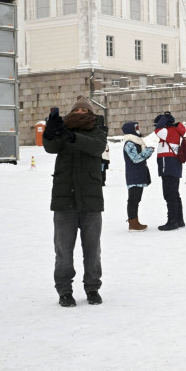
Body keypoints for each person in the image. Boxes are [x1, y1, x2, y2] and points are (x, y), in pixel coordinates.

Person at [42, 95, 107, 308]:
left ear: (90, 113)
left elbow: (96, 148)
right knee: (63, 251)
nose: (80, 113)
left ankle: (92, 288)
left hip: (91, 202)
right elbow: (51, 147)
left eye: (84, 111)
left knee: (92, 250)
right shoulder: (63, 131)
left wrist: (72, 137)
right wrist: (49, 132)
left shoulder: (98, 131)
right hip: (64, 201)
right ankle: (64, 290)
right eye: (76, 111)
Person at [154, 111, 186, 231]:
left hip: (168, 166)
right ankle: (179, 219)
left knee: (169, 195)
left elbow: (157, 129)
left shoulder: (167, 131)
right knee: (174, 194)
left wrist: (163, 118)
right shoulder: (174, 131)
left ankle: (172, 221)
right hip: (174, 166)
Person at [121, 121, 154, 231]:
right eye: (136, 128)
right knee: (133, 199)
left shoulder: (137, 142)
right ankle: (133, 222)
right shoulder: (130, 143)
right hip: (134, 174)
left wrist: (147, 152)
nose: (138, 129)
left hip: (138, 173)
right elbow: (136, 159)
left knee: (136, 199)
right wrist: (148, 151)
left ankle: (135, 221)